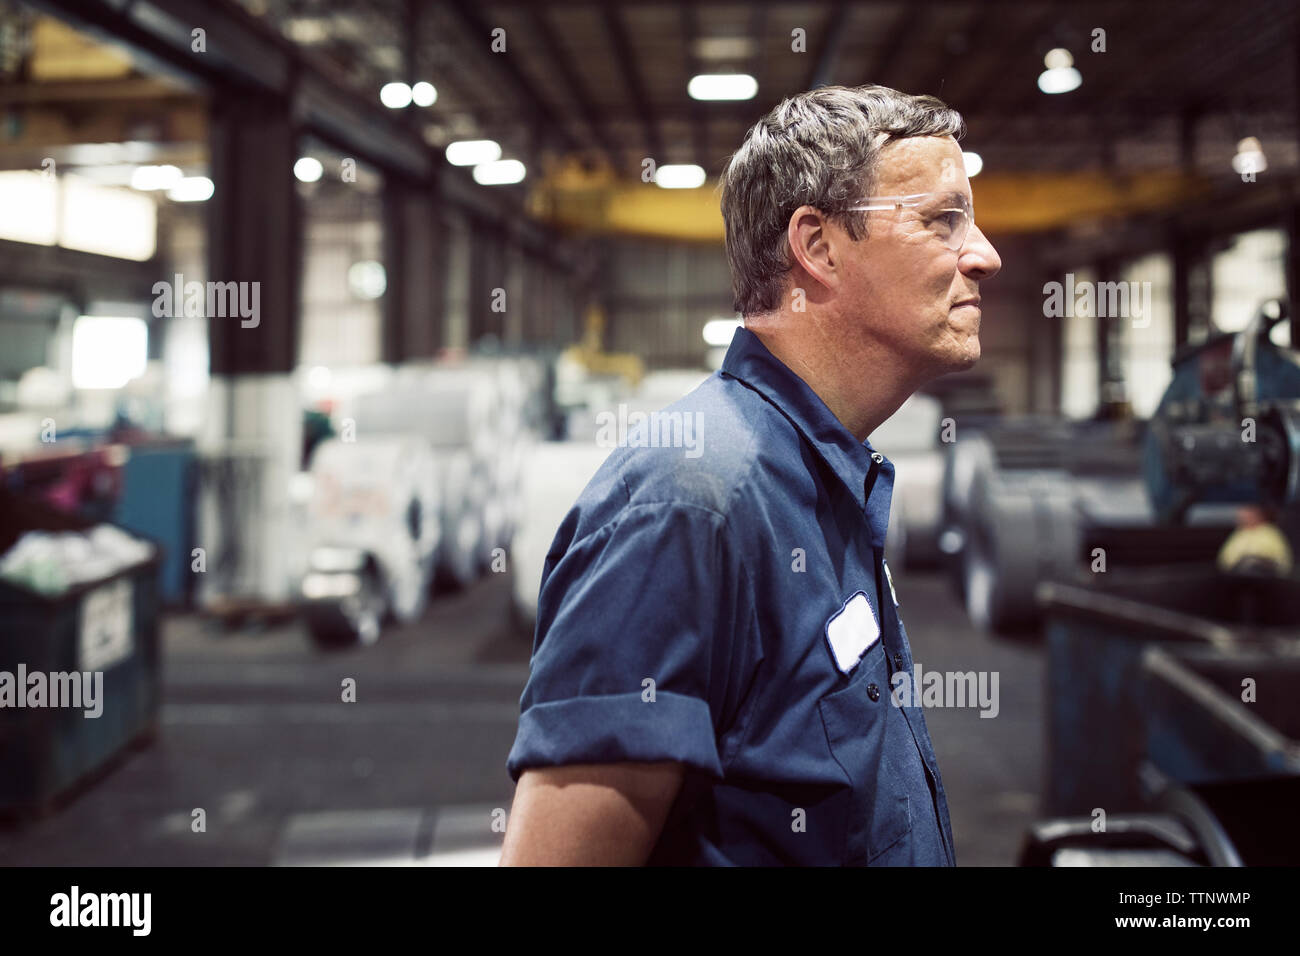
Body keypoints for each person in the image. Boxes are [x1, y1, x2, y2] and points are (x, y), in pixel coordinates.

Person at [501, 84, 1002, 865]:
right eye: (943, 220)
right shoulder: (690, 504)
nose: (985, 253)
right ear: (820, 246)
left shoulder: (822, 477)